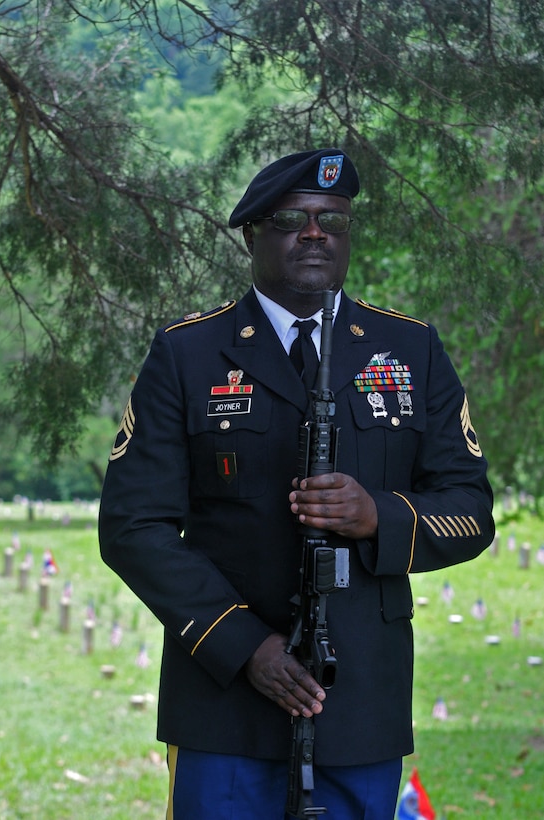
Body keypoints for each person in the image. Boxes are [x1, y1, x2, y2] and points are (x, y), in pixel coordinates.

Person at [99, 148, 495, 819]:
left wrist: (377, 516)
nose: (315, 233)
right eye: (293, 218)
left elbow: (470, 511)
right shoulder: (188, 354)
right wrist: (244, 644)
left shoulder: (409, 350)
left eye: (332, 220)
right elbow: (133, 526)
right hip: (223, 694)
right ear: (253, 234)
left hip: (359, 695)